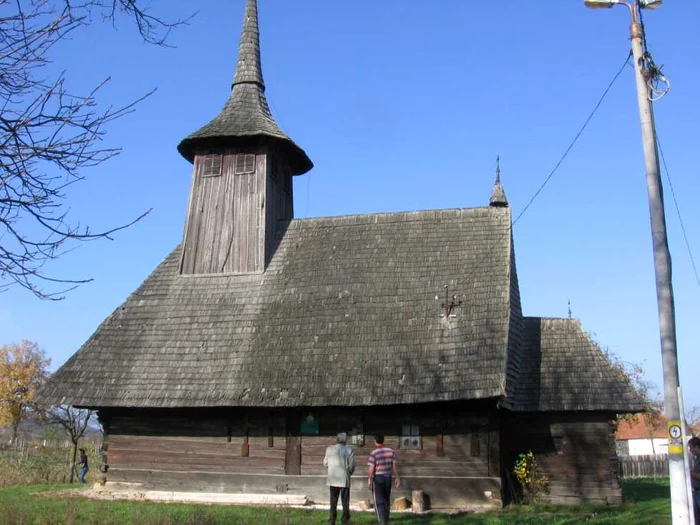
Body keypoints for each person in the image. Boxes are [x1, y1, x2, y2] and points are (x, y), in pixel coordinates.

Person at [367, 435, 400, 525]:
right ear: (383, 440)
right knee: (386, 499)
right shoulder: (391, 451)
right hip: (388, 477)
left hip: (378, 477)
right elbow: (394, 465)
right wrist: (397, 477)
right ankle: (386, 519)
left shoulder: (374, 453)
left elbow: (371, 467)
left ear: (375, 441)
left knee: (379, 501)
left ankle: (382, 522)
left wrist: (369, 479)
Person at [323, 432, 355, 525]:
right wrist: (348, 473)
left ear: (337, 439)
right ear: (345, 440)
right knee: (345, 500)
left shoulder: (329, 449)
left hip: (333, 478)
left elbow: (325, 463)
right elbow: (351, 466)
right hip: (344, 478)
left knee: (333, 500)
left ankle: (332, 519)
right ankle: (345, 519)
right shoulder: (349, 450)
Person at [689, 437, 700, 524]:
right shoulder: (697, 459)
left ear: (696, 446)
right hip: (696, 492)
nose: (690, 450)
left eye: (691, 447)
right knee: (696, 518)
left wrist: (690, 473)